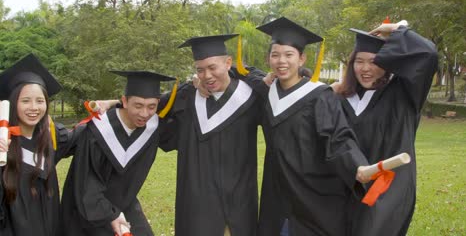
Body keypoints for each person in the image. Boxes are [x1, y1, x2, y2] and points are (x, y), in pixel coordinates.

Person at [236, 17, 370, 236]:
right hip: (277, 192)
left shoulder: (319, 96)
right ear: (269, 59)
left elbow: (337, 137)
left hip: (312, 191)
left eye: (289, 55)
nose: (281, 61)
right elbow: (243, 72)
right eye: (275, 55)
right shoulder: (267, 93)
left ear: (302, 59)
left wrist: (357, 165)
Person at [333, 22, 438, 235]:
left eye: (374, 61)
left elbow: (428, 55)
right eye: (359, 61)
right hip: (346, 187)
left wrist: (397, 31)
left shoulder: (405, 93)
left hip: (388, 190)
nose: (365, 68)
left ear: (387, 63)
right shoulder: (341, 98)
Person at [161, 34, 262, 236]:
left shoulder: (251, 97)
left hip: (239, 198)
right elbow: (149, 109)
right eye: (200, 70)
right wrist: (114, 104)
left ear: (228, 63)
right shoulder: (188, 96)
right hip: (198, 203)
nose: (207, 75)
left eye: (213, 67)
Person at [60, 70, 177, 236]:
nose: (145, 114)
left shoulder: (152, 128)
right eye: (138, 105)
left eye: (152, 107)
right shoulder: (98, 131)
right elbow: (87, 185)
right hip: (88, 211)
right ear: (124, 101)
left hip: (125, 205)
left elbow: (178, 102)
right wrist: (111, 215)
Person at [0, 54, 82, 236]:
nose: (34, 108)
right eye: (25, 101)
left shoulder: (52, 139)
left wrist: (110, 106)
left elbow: (86, 133)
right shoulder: (3, 143)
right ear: (14, 103)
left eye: (40, 101)